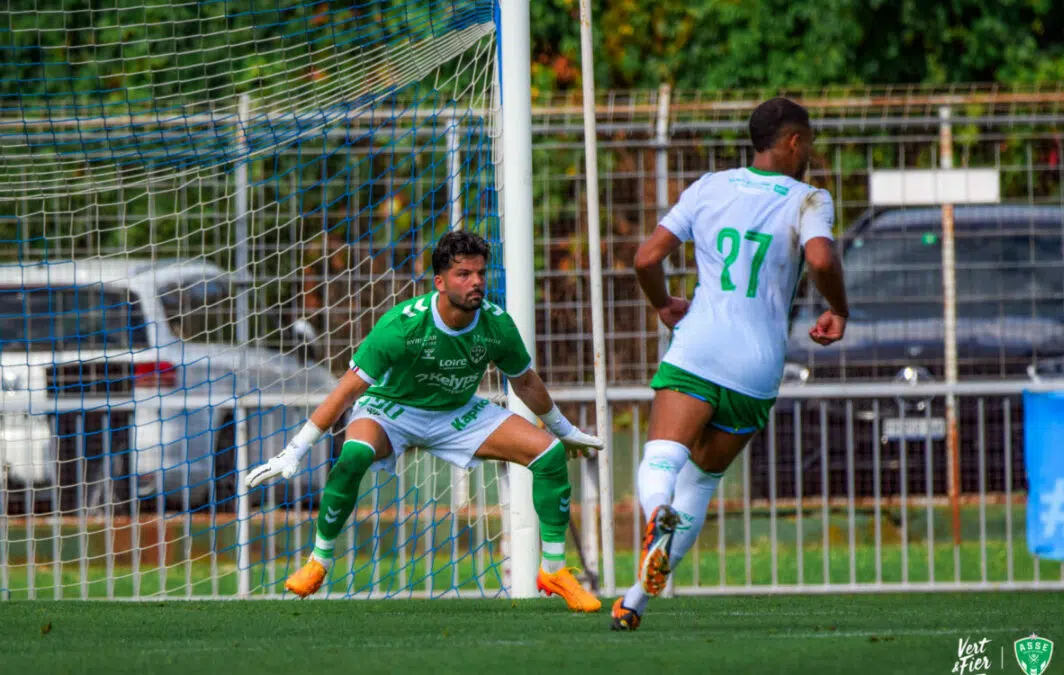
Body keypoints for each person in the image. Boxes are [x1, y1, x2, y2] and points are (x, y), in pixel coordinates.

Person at [247, 230, 604, 612]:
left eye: (480, 274)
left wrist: (565, 432)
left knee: (548, 454)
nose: (476, 283)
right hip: (392, 409)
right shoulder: (403, 326)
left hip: (456, 412)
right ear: (440, 281)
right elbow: (347, 390)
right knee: (353, 456)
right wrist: (295, 450)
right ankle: (319, 561)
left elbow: (526, 382)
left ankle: (553, 570)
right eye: (464, 275)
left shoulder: (496, 324)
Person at [611, 97, 849, 630]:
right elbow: (819, 259)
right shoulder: (810, 199)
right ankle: (635, 601)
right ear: (793, 142)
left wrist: (661, 304)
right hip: (757, 365)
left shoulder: (709, 187)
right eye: (807, 142)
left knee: (665, 457)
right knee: (702, 481)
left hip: (699, 347)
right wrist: (838, 308)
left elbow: (646, 258)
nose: (809, 152)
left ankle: (655, 517)